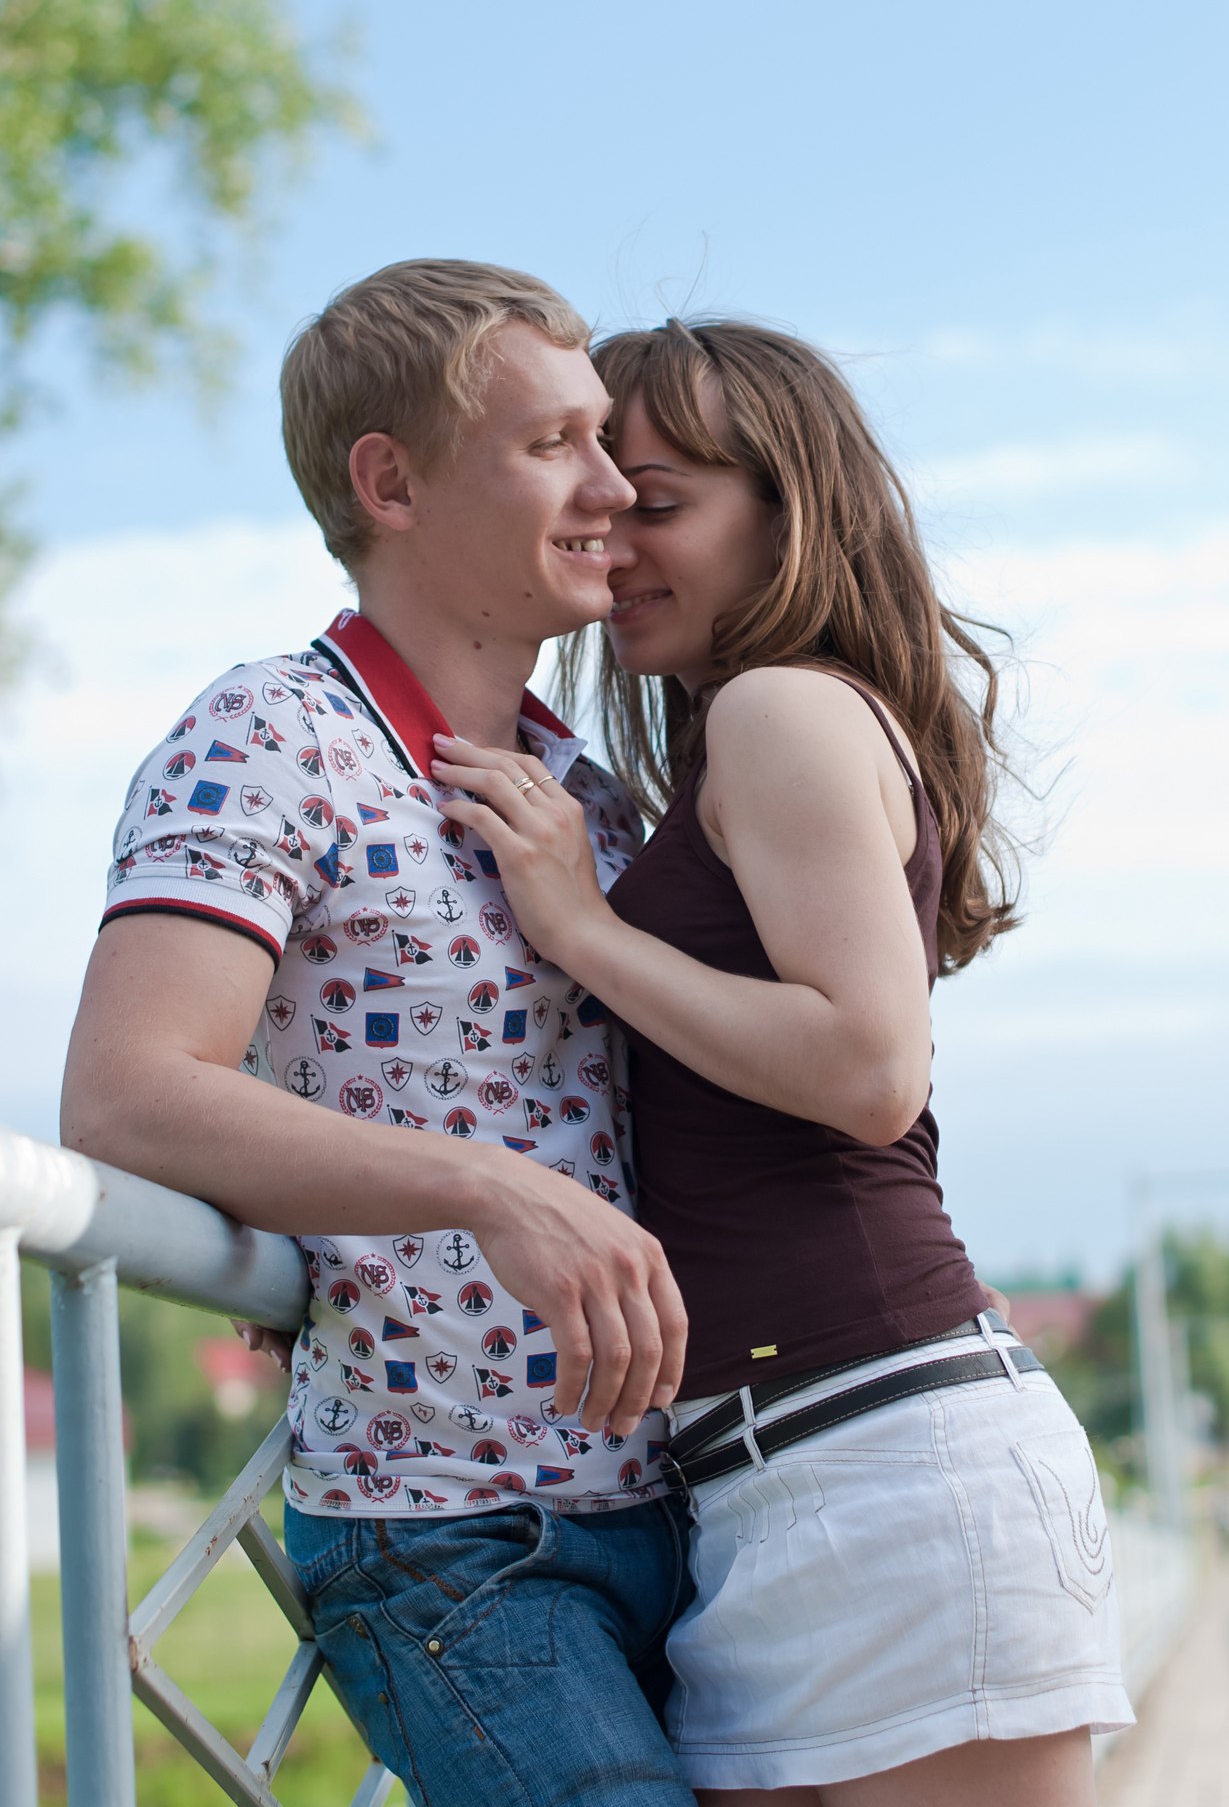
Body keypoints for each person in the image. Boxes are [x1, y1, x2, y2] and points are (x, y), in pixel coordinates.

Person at [430, 317, 1135, 1806]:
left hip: (888, 1472)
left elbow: (871, 1070)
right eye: (600, 506)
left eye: (659, 504)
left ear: (790, 511)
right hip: (772, 1483)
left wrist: (579, 928)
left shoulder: (780, 706)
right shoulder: (736, 739)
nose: (615, 546)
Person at [60, 261, 701, 1807]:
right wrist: (485, 1188)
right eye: (554, 445)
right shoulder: (269, 734)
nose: (614, 488)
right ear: (391, 484)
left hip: (680, 1510)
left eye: (606, 441)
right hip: (450, 1535)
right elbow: (126, 1098)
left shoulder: (593, 796)